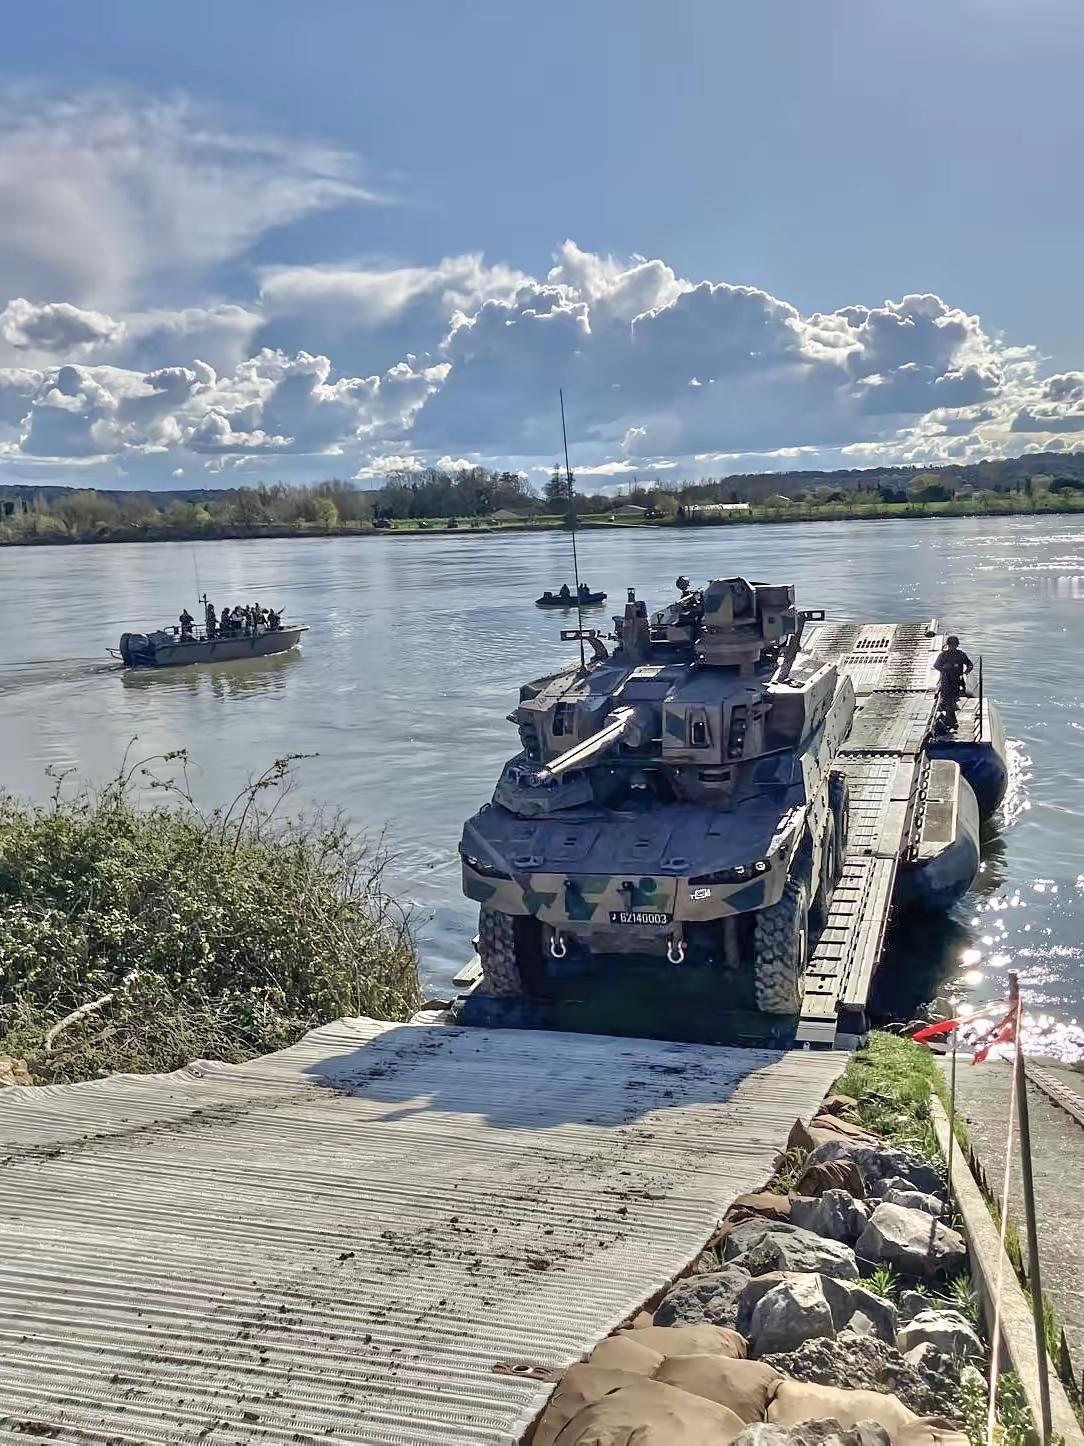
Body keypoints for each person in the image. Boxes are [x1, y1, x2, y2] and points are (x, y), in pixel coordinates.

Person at [932, 634, 973, 729]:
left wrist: (967, 671)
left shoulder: (961, 654)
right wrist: (944, 670)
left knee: (951, 700)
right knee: (948, 700)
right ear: (948, 645)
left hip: (956, 681)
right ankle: (951, 721)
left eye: (954, 645)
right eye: (951, 646)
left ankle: (950, 720)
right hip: (946, 681)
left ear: (957, 645)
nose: (952, 647)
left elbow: (970, 664)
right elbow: (936, 665)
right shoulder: (943, 655)